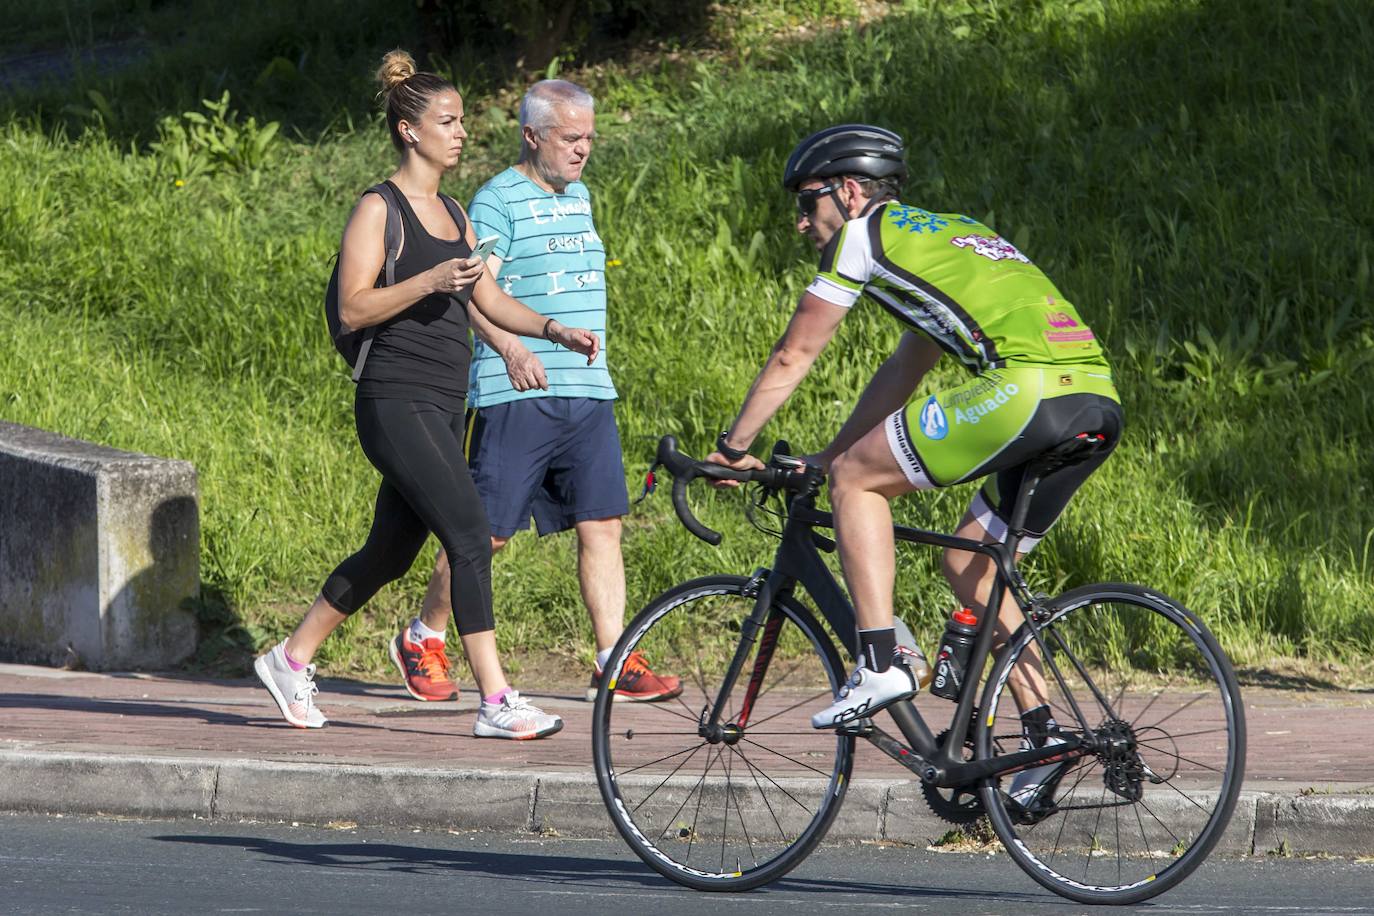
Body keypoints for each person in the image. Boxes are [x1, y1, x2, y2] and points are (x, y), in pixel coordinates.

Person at [706, 125, 1122, 800]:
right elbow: (908, 364)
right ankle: (1045, 736)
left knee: (855, 484)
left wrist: (732, 449)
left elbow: (795, 353)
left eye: (808, 202)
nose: (801, 221)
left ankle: (880, 662)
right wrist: (832, 451)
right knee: (968, 565)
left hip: (1027, 392)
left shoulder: (859, 238)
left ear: (847, 191)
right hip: (1095, 400)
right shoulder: (951, 233)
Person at [254, 51, 600, 739]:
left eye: (463, 120)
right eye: (447, 121)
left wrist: (550, 329)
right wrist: (427, 282)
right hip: (392, 399)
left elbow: (488, 297)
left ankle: (290, 659)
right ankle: (497, 700)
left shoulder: (450, 211)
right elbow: (353, 308)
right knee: (471, 535)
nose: (461, 132)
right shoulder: (377, 209)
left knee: (389, 553)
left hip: (444, 403)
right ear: (410, 131)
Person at [387, 79, 681, 706]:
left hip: (586, 390)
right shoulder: (496, 200)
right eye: (570, 139)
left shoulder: (583, 198)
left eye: (590, 139)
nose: (583, 152)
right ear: (532, 136)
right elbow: (471, 292)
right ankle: (424, 637)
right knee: (486, 533)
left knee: (602, 524)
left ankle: (614, 659)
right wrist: (511, 348)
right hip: (514, 392)